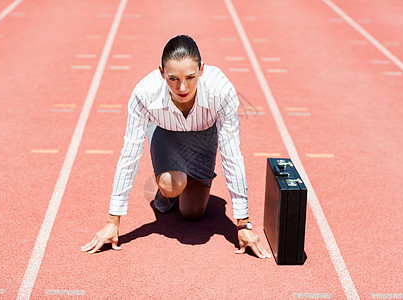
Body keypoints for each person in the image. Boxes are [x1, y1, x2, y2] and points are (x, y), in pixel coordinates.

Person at [81, 35, 271, 259]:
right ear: (161, 72)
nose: (182, 87)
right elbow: (129, 155)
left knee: (192, 213)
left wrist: (243, 225)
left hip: (203, 138)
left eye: (190, 77)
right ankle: (165, 192)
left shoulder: (222, 91)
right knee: (172, 185)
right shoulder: (144, 93)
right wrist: (113, 221)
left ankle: (187, 182)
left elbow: (232, 154)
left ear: (202, 69)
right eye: (173, 78)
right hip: (166, 134)